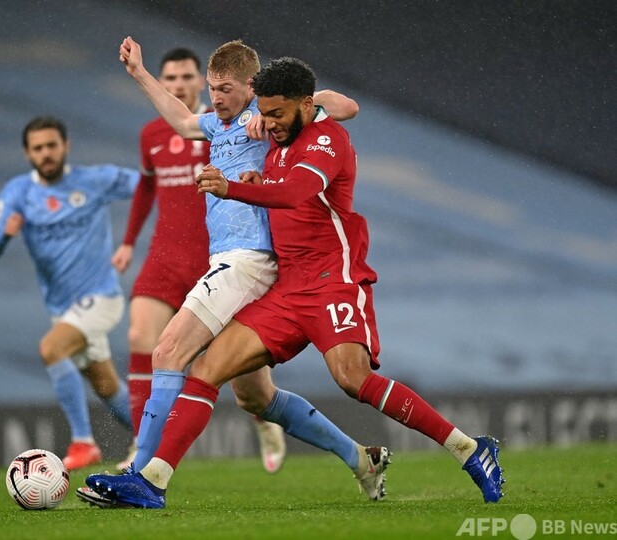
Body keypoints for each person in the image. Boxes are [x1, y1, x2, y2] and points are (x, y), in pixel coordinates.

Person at [85, 57, 505, 508]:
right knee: (209, 369)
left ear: (306, 105)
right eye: (264, 114)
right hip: (285, 288)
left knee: (352, 378)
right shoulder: (275, 137)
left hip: (332, 281)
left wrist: (233, 187)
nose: (269, 124)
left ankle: (468, 448)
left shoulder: (327, 139)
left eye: (278, 114)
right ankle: (152, 482)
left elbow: (294, 192)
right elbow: (268, 173)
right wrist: (255, 176)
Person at [76, 38, 391, 508]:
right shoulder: (216, 123)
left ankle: (141, 475)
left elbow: (347, 107)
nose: (216, 97)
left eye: (225, 89)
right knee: (255, 398)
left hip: (247, 261)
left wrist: (296, 104)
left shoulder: (264, 122)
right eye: (212, 88)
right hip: (238, 265)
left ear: (251, 87)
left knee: (168, 350)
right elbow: (183, 121)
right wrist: (139, 73)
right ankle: (362, 458)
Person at [111, 46, 287, 473]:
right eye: (171, 79)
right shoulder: (189, 128)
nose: (182, 86)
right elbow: (153, 175)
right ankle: (143, 453)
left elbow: (337, 106)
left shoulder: (256, 117)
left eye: (188, 78)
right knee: (149, 340)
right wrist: (138, 72)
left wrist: (273, 112)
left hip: (238, 258)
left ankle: (265, 420)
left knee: (242, 384)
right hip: (181, 255)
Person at [0, 116, 136, 470]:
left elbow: (149, 184)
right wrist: (5, 234)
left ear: (66, 146)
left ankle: (84, 442)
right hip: (63, 308)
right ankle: (156, 440)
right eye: (38, 148)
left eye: (52, 145)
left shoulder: (94, 180)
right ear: (27, 153)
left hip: (101, 296)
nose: (46, 153)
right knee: (106, 385)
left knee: (51, 348)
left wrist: (132, 238)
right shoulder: (17, 192)